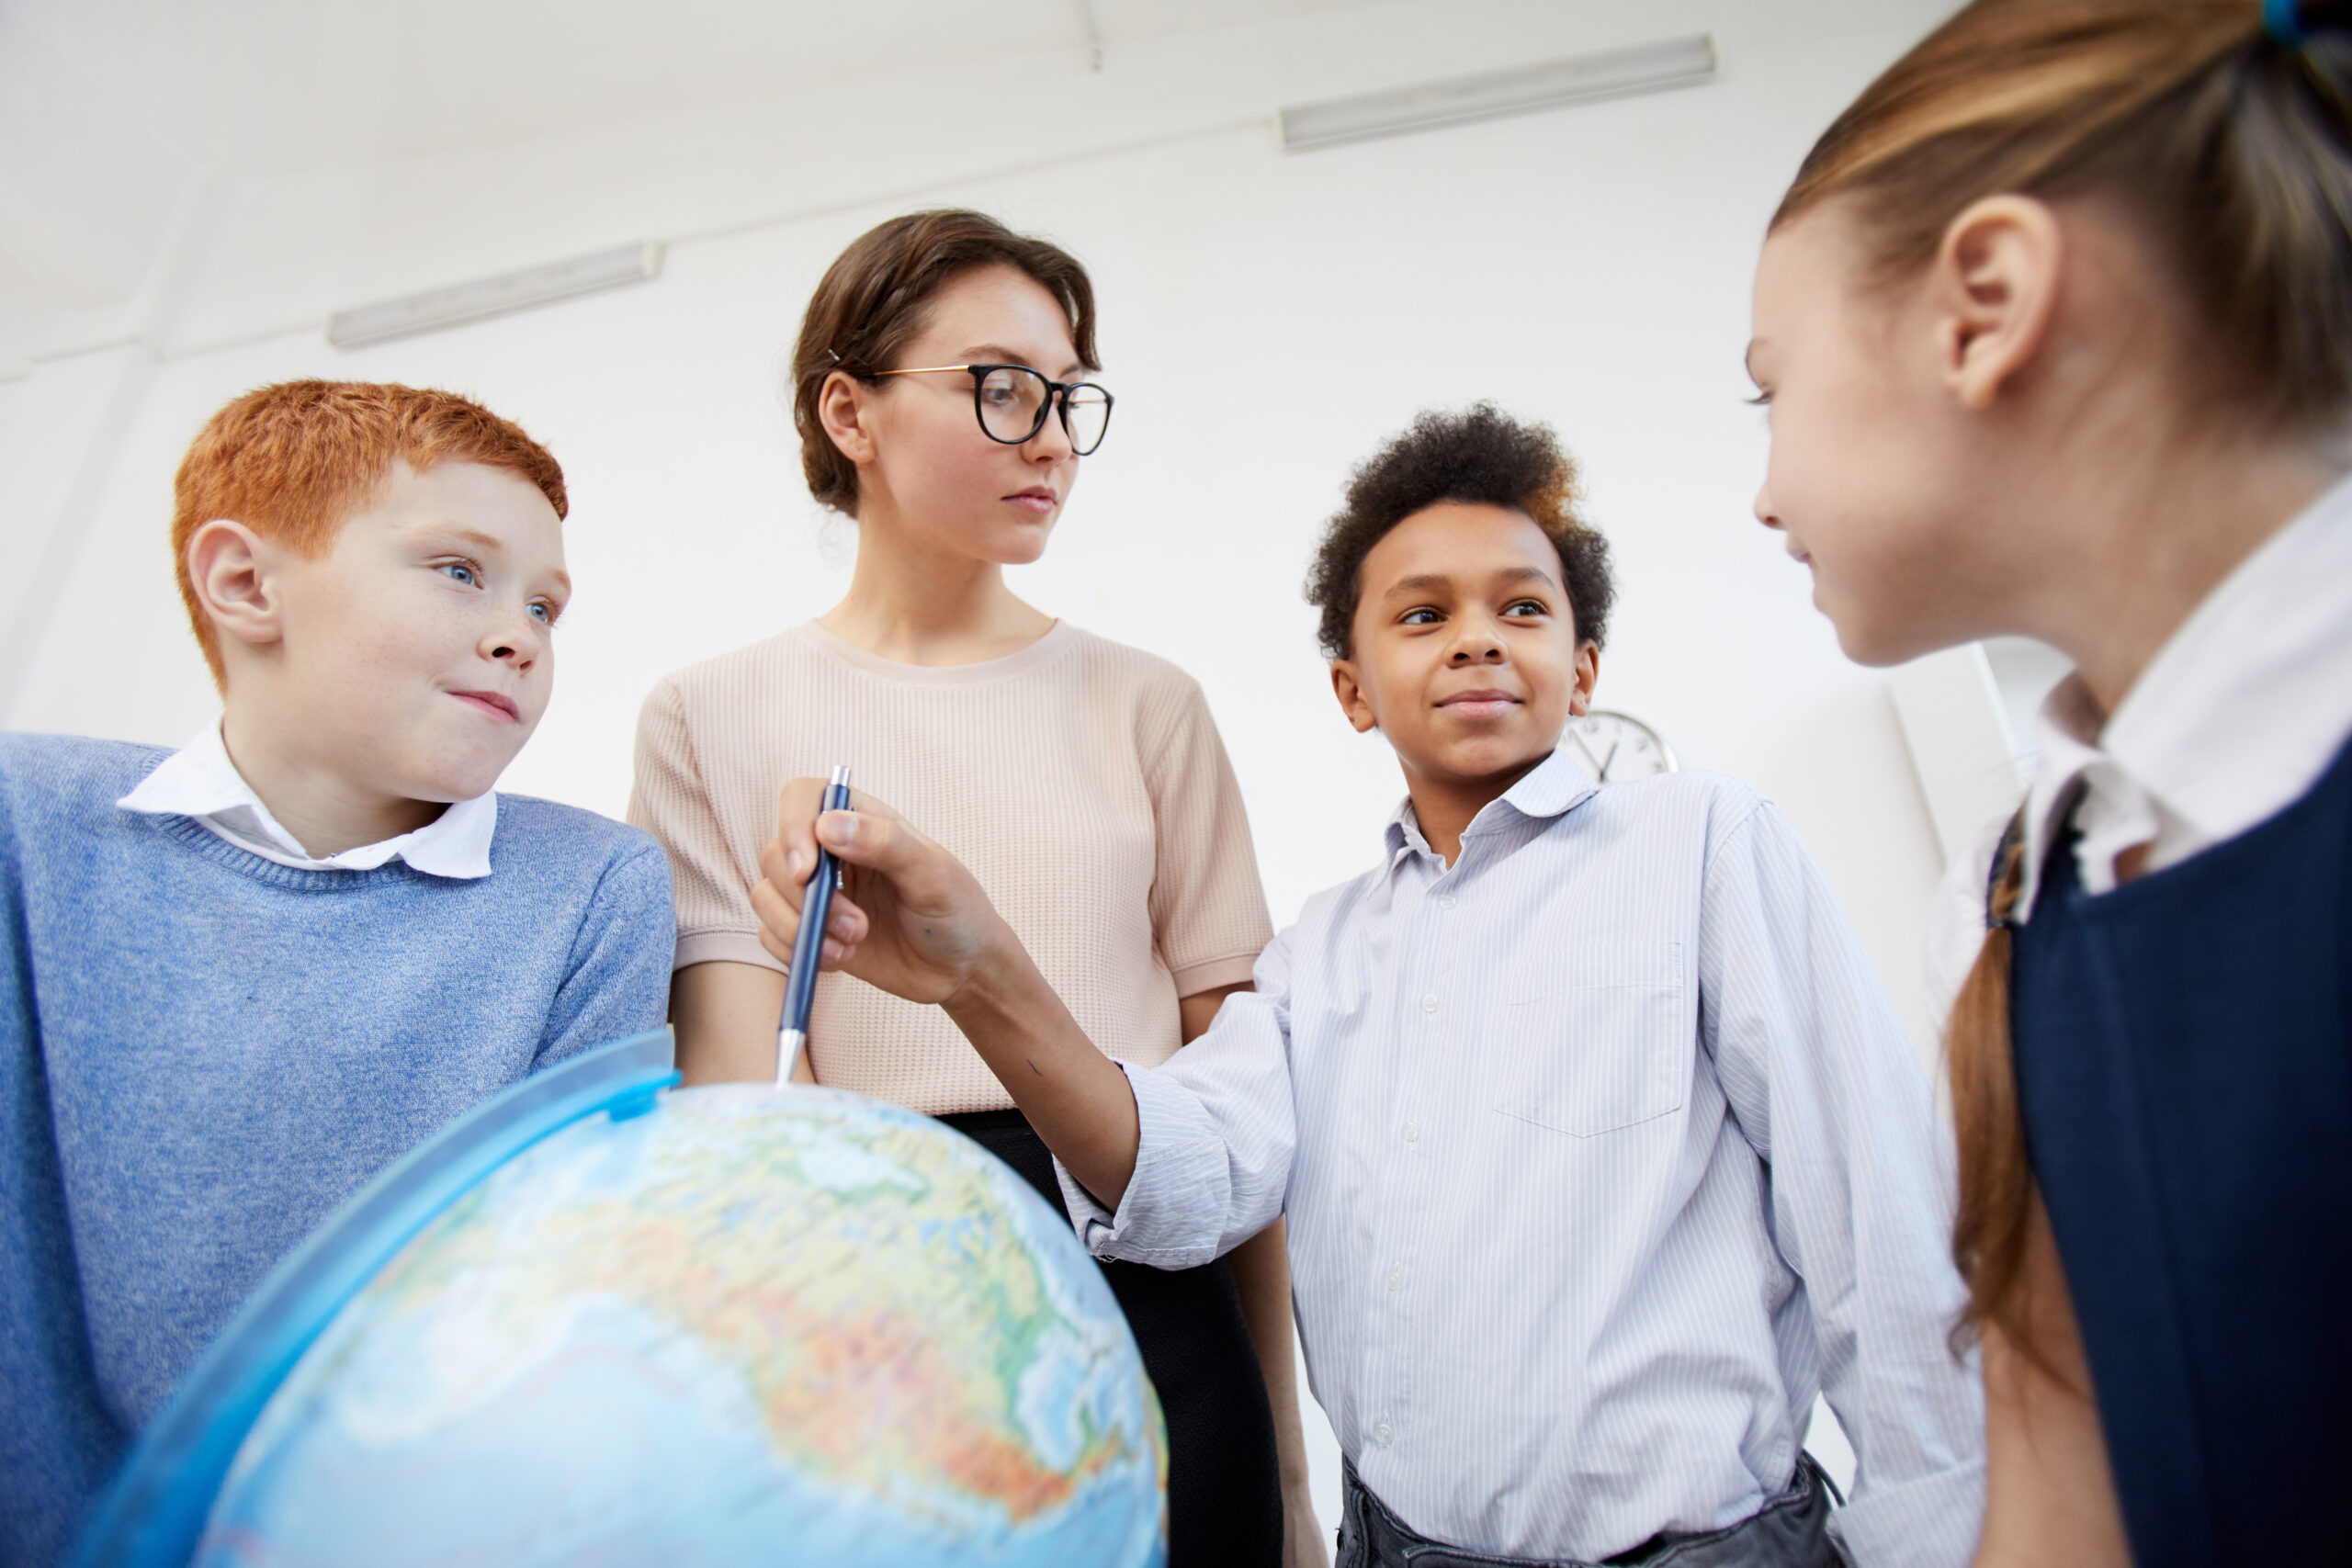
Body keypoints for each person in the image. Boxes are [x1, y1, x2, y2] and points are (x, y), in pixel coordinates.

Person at [750, 405, 1987, 1567]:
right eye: (1421, 616)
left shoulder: (1704, 845)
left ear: (1584, 663)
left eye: (1522, 608)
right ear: (1351, 688)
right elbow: (1181, 1179)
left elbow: (1871, 1206)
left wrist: (1944, 1536)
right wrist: (979, 971)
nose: (1478, 638)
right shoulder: (1322, 955)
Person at [1745, 2, 2352, 1563]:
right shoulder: (2019, 904)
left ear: (1984, 308)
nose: (1761, 494)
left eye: (1772, 387)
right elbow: (2060, 1483)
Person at [627, 209, 1315, 1567]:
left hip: (1154, 1295)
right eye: (1002, 389)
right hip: (876, 1307)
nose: (1052, 436)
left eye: (1068, 397)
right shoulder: (707, 715)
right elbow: (743, 1109)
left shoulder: (1148, 706)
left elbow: (1247, 1132)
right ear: (850, 412)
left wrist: (1293, 1479)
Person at [0, 381, 676, 1567]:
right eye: (460, 572)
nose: (521, 633)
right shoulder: (23, 821)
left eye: (547, 606)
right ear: (246, 584)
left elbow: (570, 1294)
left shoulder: (595, 889)